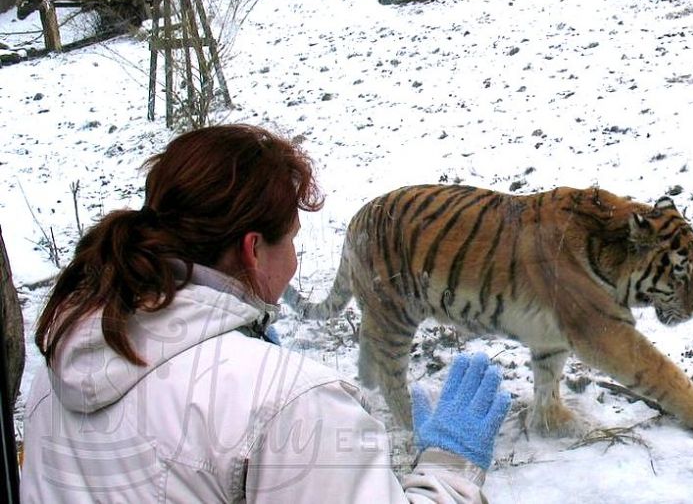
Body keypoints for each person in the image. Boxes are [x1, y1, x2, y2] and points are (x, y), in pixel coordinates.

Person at [20, 124, 512, 503]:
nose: (295, 259)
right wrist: (451, 469)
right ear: (253, 249)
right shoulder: (287, 401)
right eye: (293, 239)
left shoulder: (67, 356)